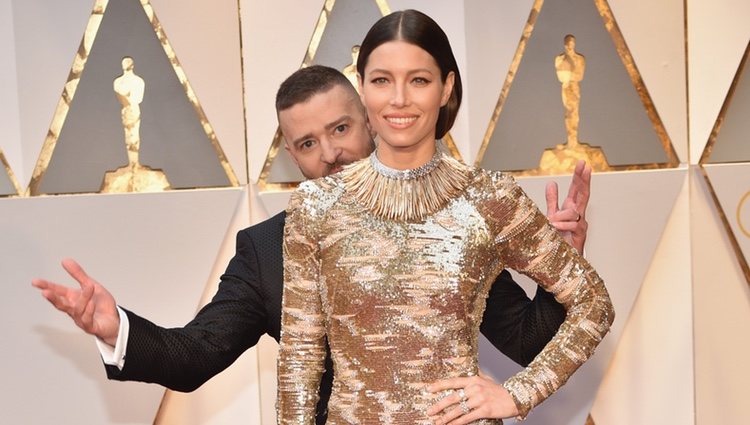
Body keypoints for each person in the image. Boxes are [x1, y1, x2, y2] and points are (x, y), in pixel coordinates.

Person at [33, 65, 590, 423]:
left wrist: (559, 270)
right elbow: (194, 355)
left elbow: (524, 342)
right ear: (292, 157)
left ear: (371, 124)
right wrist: (115, 328)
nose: (329, 153)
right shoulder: (265, 250)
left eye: (341, 129)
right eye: (307, 142)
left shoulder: (452, 219)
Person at [276, 11, 612, 425]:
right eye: (382, 80)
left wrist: (518, 394)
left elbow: (593, 303)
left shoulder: (489, 197)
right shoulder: (315, 206)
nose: (399, 99)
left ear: (446, 87)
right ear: (362, 87)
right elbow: (301, 354)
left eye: (418, 80)